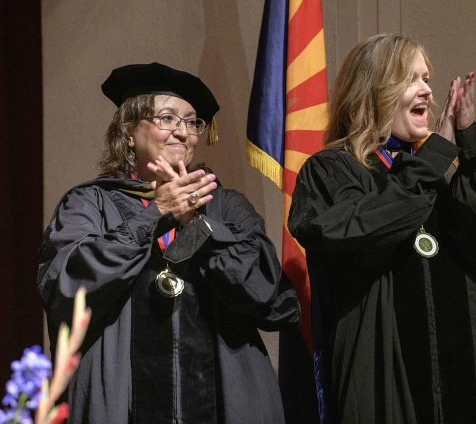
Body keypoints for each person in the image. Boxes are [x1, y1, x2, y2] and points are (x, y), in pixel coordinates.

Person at [287, 34, 476, 424]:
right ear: (374, 91)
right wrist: (434, 157)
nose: (426, 89)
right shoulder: (331, 170)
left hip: (463, 376)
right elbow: (359, 232)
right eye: (411, 79)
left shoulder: (432, 174)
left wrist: (469, 143)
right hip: (383, 376)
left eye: (427, 78)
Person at [38, 62, 300, 424]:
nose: (183, 132)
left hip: (222, 404)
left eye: (192, 122)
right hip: (123, 404)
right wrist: (156, 213)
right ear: (129, 132)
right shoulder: (88, 205)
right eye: (167, 118)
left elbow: (272, 299)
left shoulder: (226, 207)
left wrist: (196, 222)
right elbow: (66, 290)